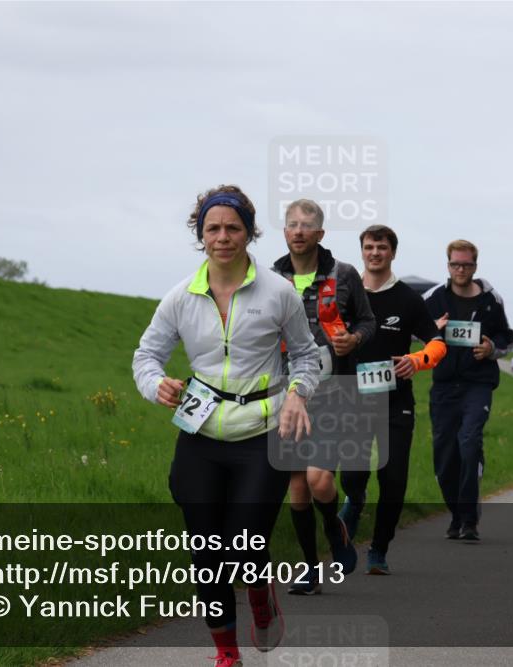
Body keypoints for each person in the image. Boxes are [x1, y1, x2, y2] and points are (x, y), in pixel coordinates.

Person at [132, 185, 321, 666]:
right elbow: (146, 356)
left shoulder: (278, 293)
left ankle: (260, 593)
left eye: (232, 228)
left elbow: (305, 356)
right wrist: (157, 386)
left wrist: (298, 394)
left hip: (263, 434)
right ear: (200, 234)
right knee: (205, 549)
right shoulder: (181, 296)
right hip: (200, 434)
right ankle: (226, 653)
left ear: (249, 232)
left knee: (243, 543)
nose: (223, 237)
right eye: (212, 228)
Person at [272, 199, 376, 593]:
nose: (298, 231)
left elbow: (368, 321)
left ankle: (336, 533)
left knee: (318, 480)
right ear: (285, 232)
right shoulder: (270, 280)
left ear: (320, 233)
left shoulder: (343, 275)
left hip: (335, 393)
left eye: (306, 225)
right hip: (287, 394)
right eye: (291, 225)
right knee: (296, 488)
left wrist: (355, 338)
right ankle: (311, 568)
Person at [337, 225, 446, 574]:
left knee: (393, 478)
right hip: (352, 398)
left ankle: (379, 549)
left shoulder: (408, 299)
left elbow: (436, 342)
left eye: (381, 247)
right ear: (362, 252)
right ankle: (354, 502)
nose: (375, 253)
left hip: (395, 401)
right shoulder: (346, 296)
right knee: (352, 477)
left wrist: (416, 360)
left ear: (392, 252)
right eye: (369, 247)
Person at [425, 239, 513, 541]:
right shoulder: (435, 298)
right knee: (445, 454)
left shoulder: (490, 299)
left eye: (466, 264)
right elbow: (415, 331)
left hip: (478, 384)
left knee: (469, 441)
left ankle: (469, 520)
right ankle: (456, 513)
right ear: (447, 265)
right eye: (455, 264)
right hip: (444, 385)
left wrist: (491, 348)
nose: (460, 269)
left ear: (475, 266)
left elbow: (507, 338)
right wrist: (432, 330)